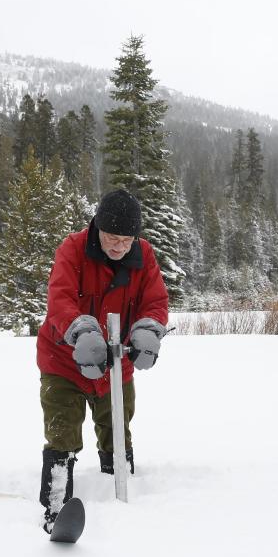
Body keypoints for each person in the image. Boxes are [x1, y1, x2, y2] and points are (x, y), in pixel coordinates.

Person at [36, 188, 169, 533]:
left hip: (116, 364)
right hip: (64, 361)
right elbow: (60, 299)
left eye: (126, 240)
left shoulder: (145, 256)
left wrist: (147, 331)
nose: (118, 247)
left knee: (117, 430)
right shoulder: (73, 249)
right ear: (97, 227)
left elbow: (154, 301)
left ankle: (120, 493)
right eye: (112, 237)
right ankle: (55, 509)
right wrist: (81, 331)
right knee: (62, 431)